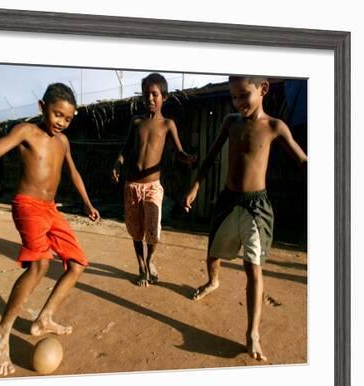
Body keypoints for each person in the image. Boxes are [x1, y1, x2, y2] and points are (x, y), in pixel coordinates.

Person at [0, 83, 100, 376]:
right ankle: (2, 331)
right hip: (27, 205)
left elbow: (73, 172)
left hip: (50, 209)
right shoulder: (26, 132)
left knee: (78, 264)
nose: (61, 122)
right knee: (39, 264)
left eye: (68, 119)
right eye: (57, 114)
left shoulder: (64, 142)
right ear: (42, 107)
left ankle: (44, 317)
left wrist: (87, 202)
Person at [183, 76, 308, 361]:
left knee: (253, 267)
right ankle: (213, 281)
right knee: (213, 251)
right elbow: (211, 155)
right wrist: (195, 185)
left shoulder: (275, 126)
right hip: (228, 200)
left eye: (244, 96)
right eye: (234, 97)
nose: (238, 103)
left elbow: (302, 160)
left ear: (263, 89)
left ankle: (252, 332)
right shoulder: (231, 122)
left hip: (256, 207)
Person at [112, 73, 196, 287]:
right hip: (132, 184)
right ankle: (141, 267)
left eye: (154, 94)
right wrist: (117, 163)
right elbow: (126, 147)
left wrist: (186, 157)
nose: (149, 98)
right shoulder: (137, 121)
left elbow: (178, 151)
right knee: (136, 229)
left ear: (163, 97)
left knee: (153, 229)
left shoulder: (168, 124)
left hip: (153, 186)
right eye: (146, 94)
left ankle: (150, 260)